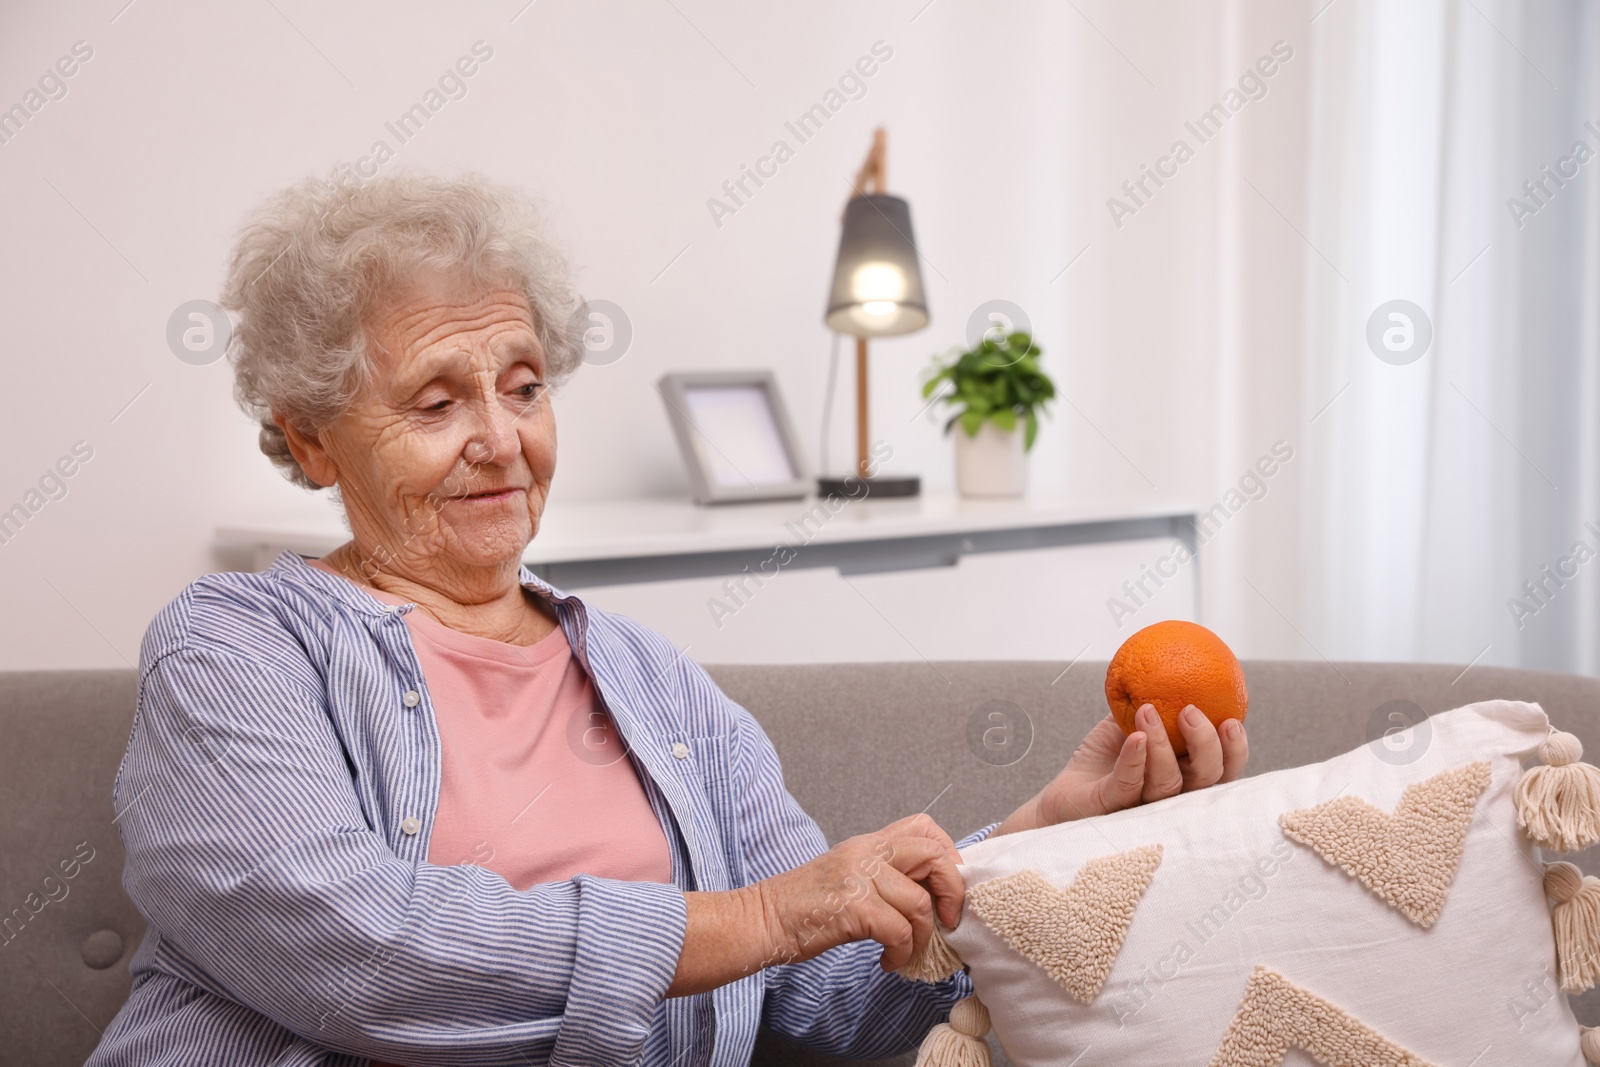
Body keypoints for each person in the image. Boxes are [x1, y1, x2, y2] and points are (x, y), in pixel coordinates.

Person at [88, 171, 1248, 1066]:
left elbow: (825, 994)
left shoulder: (650, 681)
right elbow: (363, 958)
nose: (503, 438)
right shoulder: (235, 647)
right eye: (438, 400)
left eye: (526, 384)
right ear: (309, 437)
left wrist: (1049, 830)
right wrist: (759, 914)